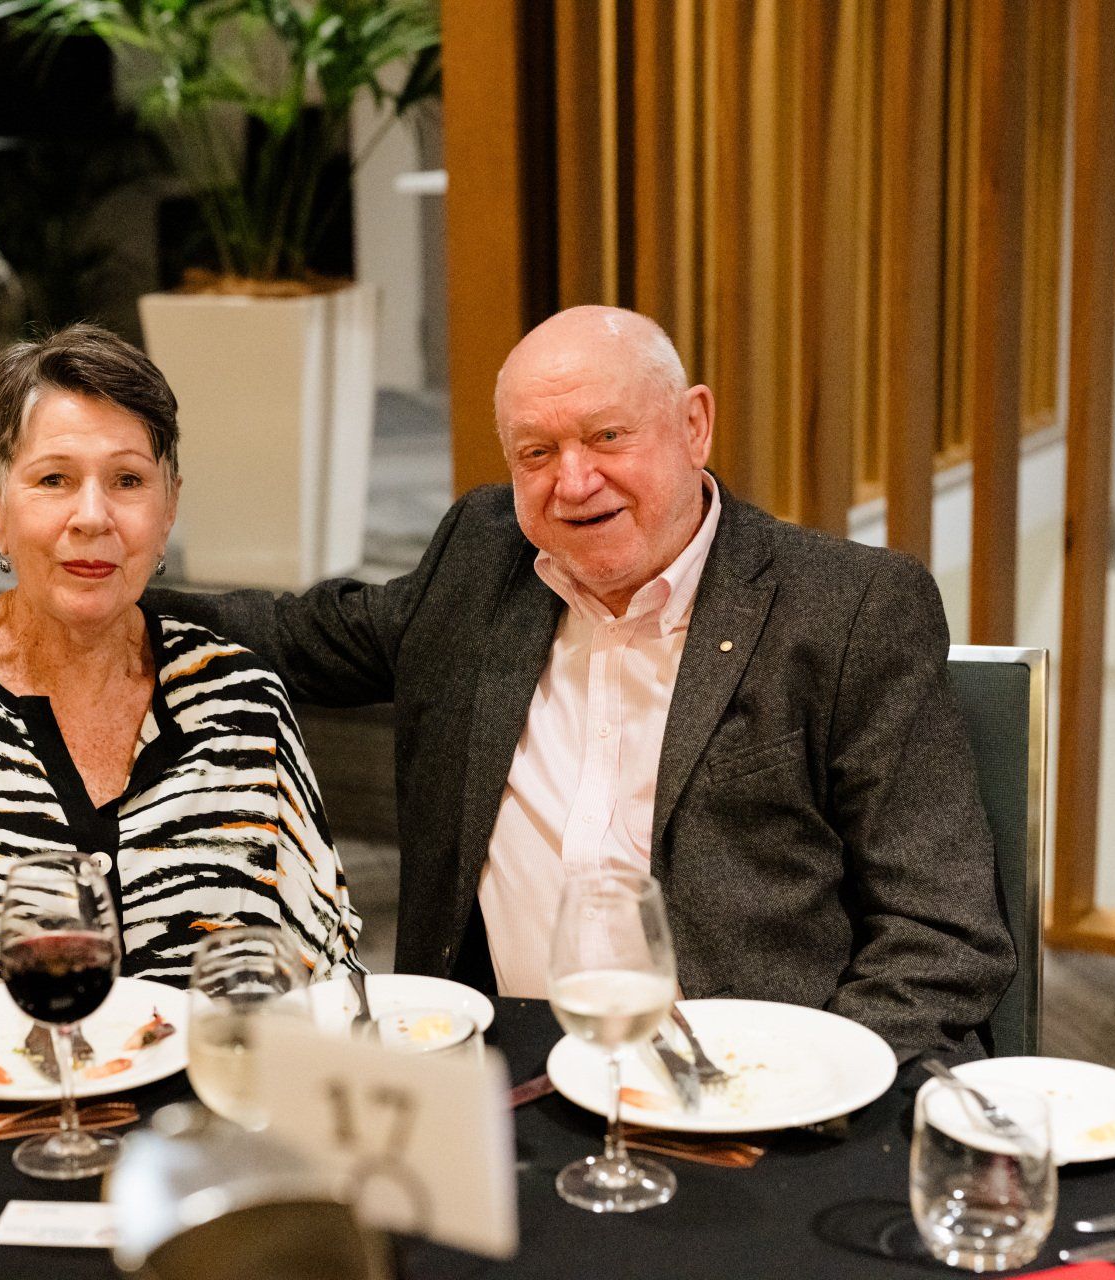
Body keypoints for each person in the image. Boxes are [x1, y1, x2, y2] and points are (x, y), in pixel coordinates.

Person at [149, 306, 1015, 1060]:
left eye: (607, 437)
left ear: (694, 425)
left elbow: (940, 937)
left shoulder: (848, 609)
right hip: (510, 1076)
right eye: (537, 451)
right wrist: (103, 597)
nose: (574, 482)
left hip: (758, 1084)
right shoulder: (484, 559)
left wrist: (809, 1091)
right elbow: (302, 636)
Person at [0, 325, 361, 1022]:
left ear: (169, 508)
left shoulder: (241, 702)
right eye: (54, 479)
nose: (92, 516)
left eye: (128, 481)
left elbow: (328, 971)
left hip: (210, 1084)